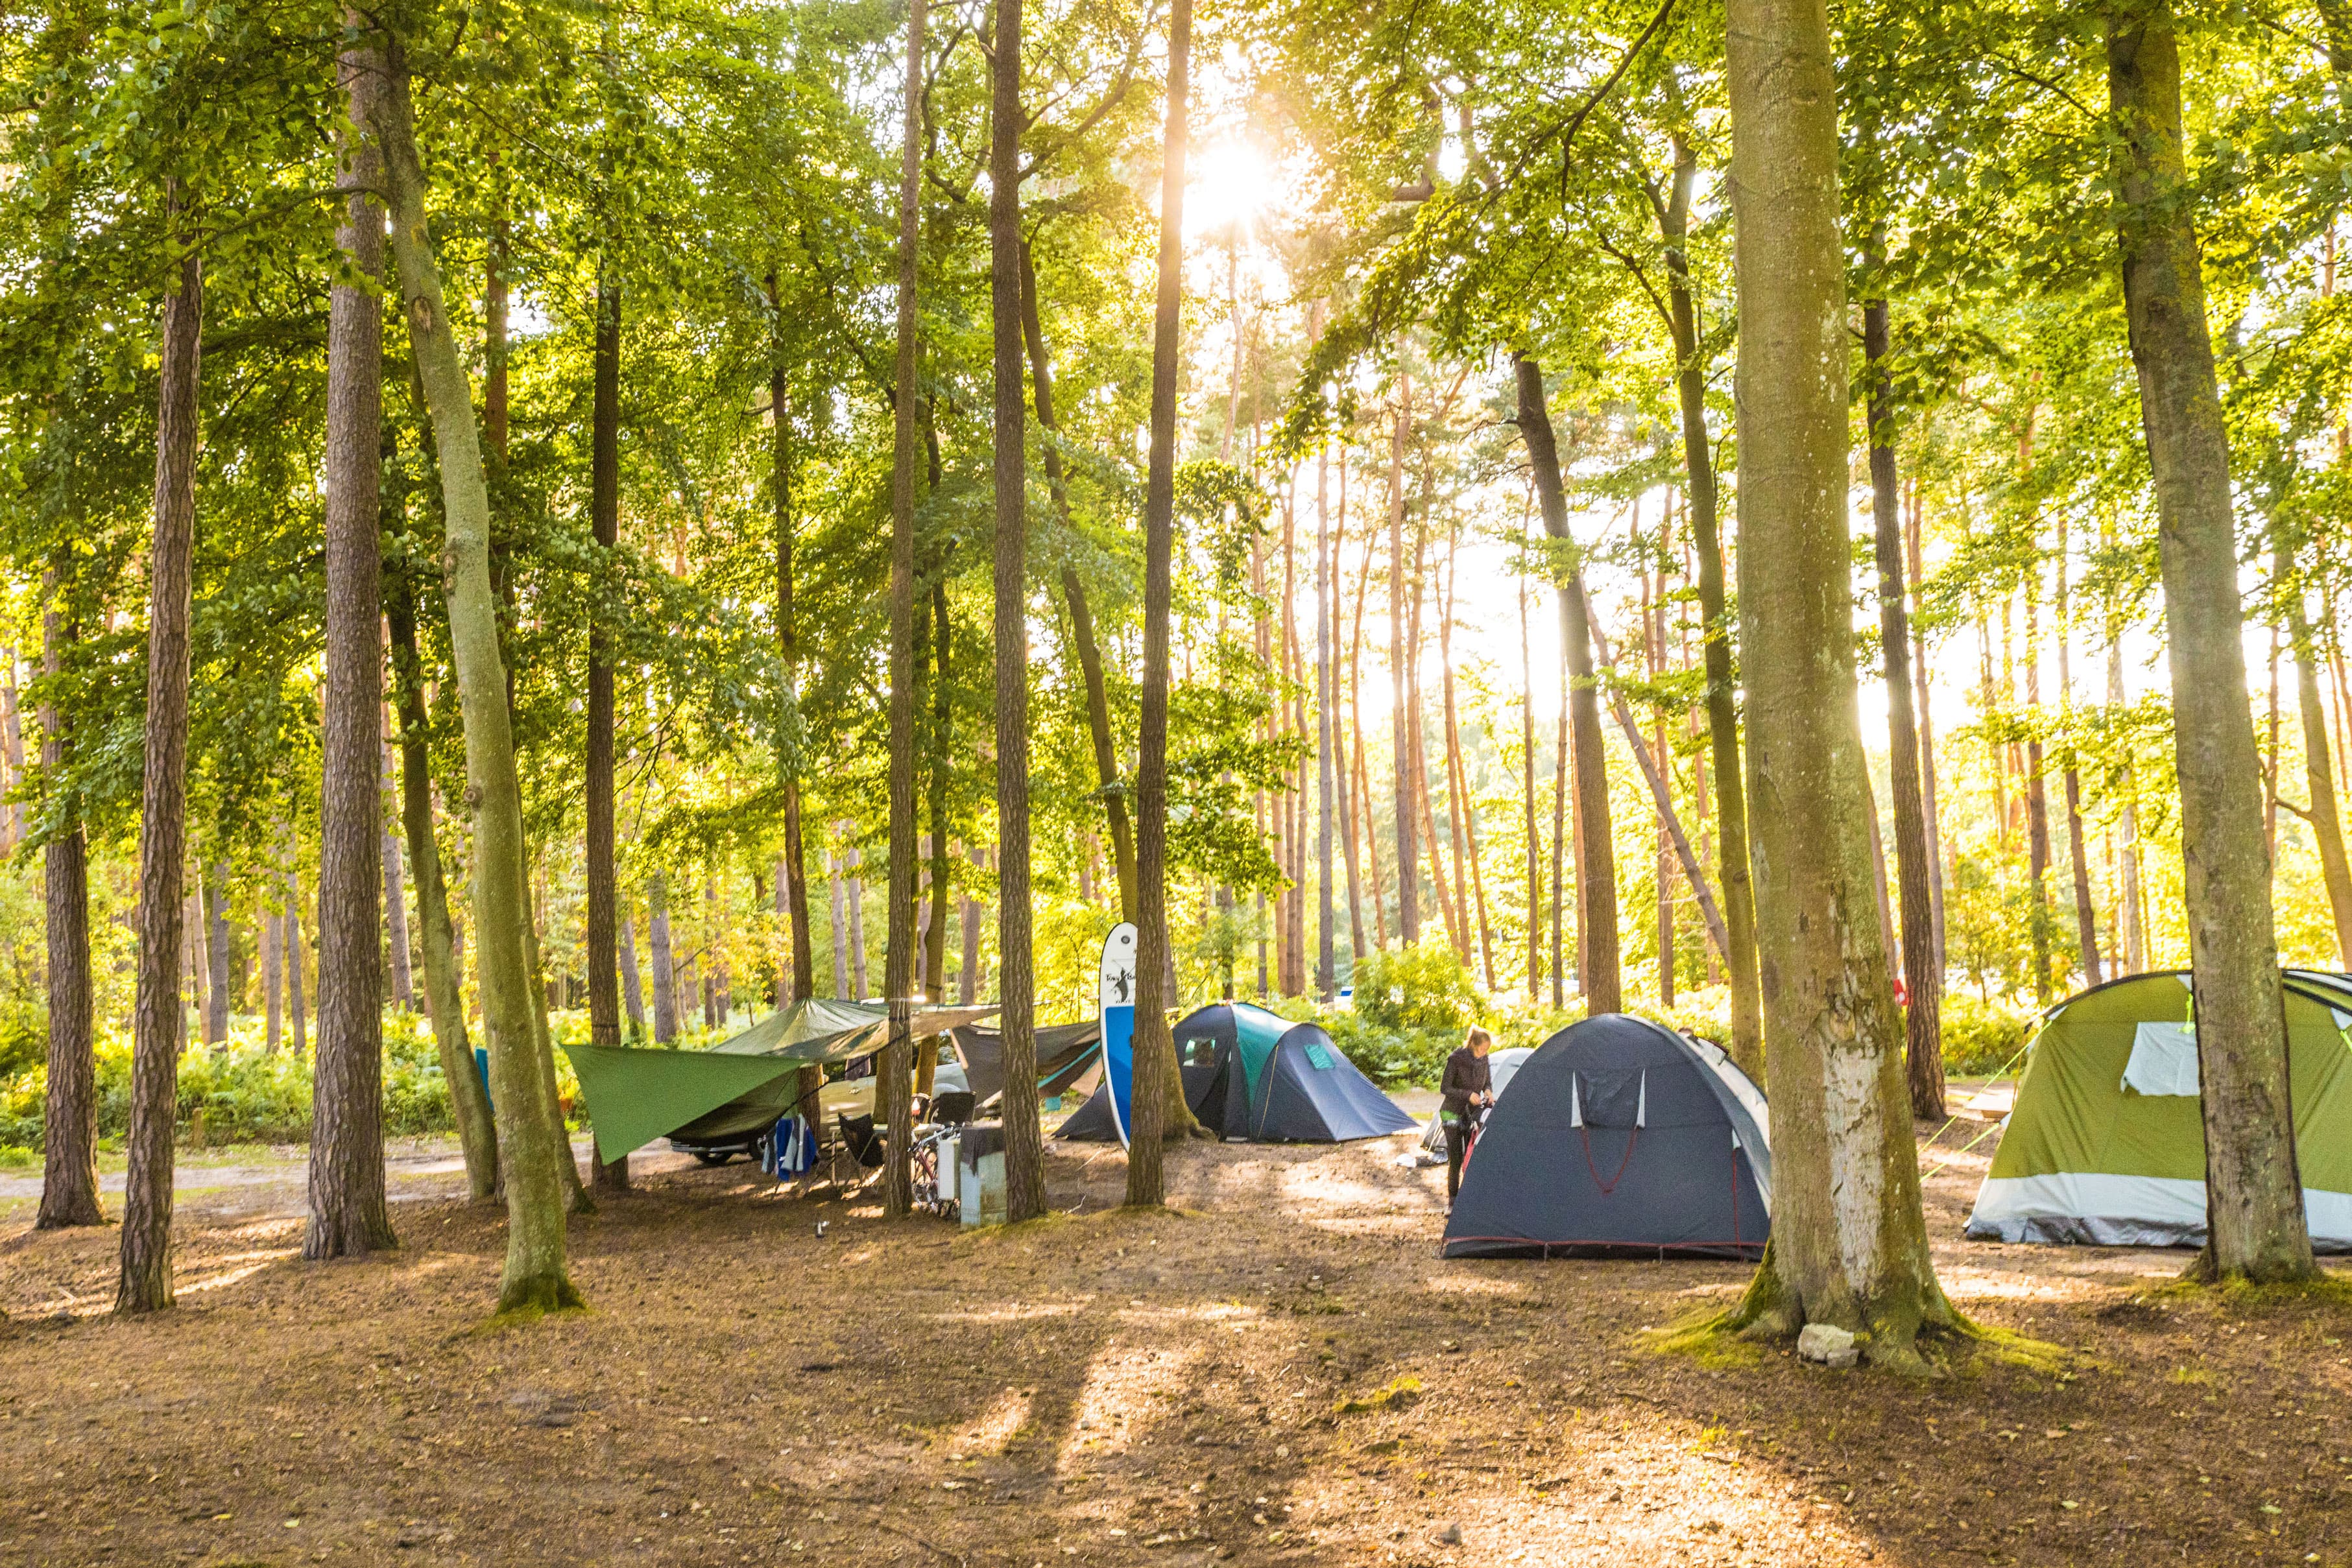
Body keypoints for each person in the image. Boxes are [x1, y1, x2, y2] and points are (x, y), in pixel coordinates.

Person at [1438, 1025, 1494, 1209]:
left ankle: (1467, 1201)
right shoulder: (1456, 1059)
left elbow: (1487, 1082)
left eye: (1487, 1049)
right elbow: (1445, 1088)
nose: (1484, 1052)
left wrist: (1488, 1091)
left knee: (1470, 1158)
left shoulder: (1484, 1060)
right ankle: (1452, 1202)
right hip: (1452, 1112)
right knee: (1456, 1158)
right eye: (1482, 1049)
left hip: (1472, 1114)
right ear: (1473, 1044)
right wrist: (1468, 1094)